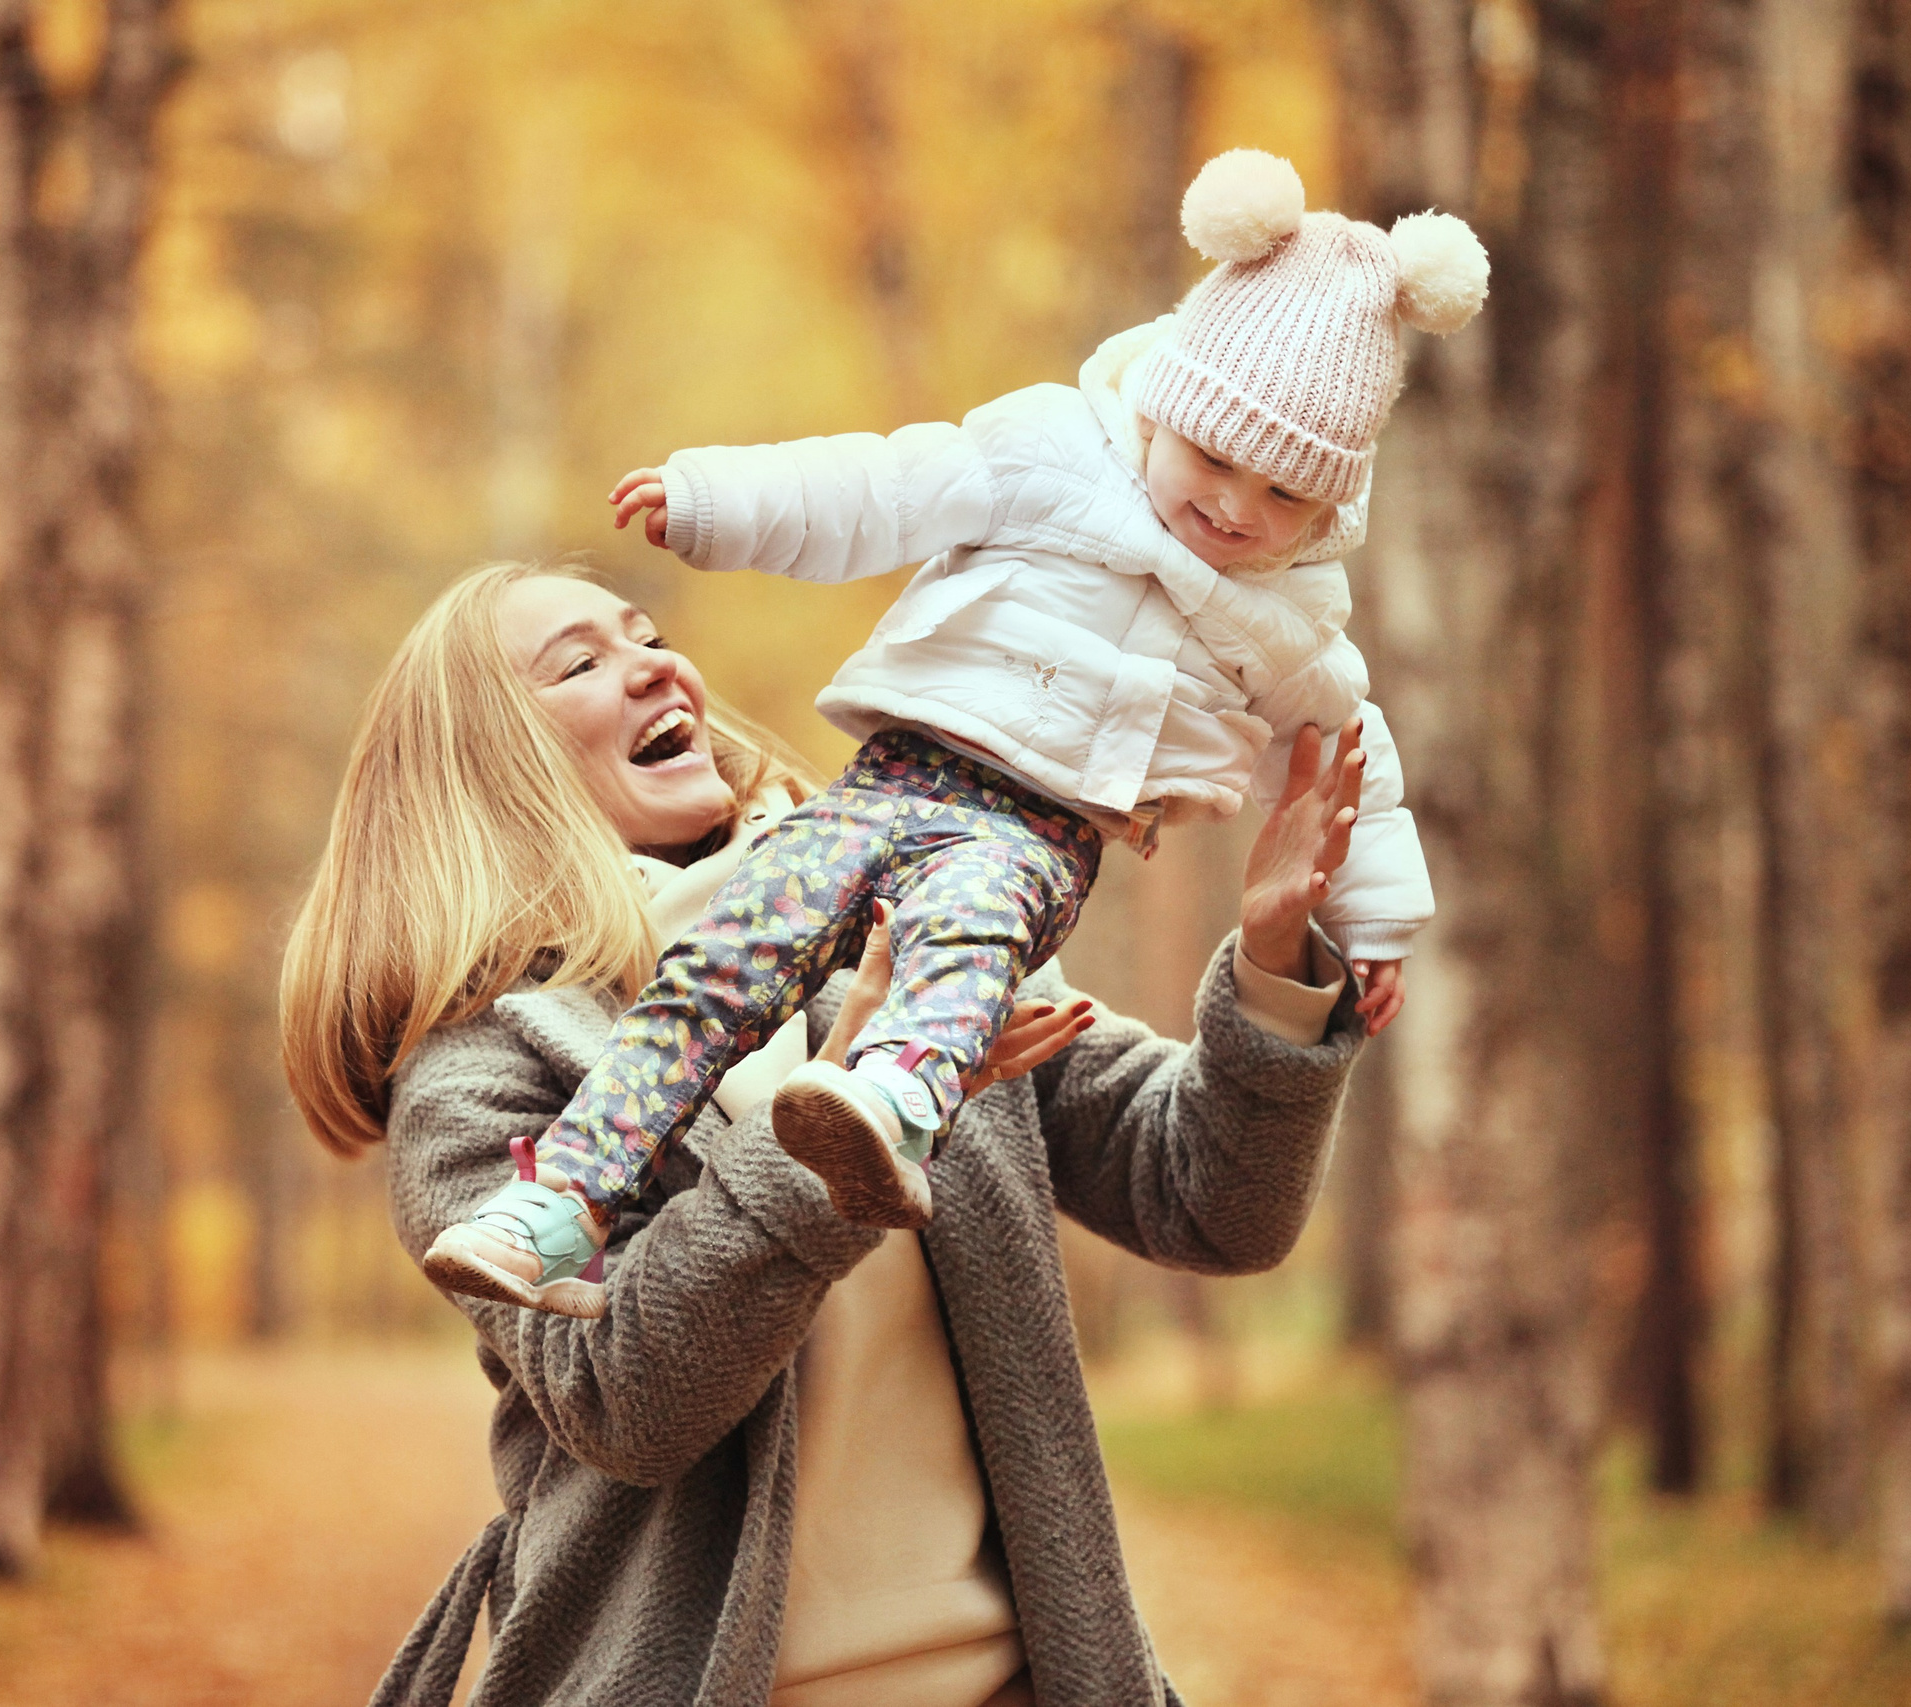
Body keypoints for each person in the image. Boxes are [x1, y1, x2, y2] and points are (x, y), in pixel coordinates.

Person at [280, 559, 1376, 1706]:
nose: (656, 666)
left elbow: (1207, 1200)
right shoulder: (480, 1069)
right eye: (582, 663)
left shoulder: (912, 913)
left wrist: (1274, 971)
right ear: (485, 768)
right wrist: (833, 1129)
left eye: (646, 635)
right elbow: (620, 1396)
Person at [422, 150, 1486, 1315]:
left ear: (1330, 508)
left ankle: (891, 1104)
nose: (1234, 508)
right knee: (720, 969)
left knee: (969, 942)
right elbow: (882, 489)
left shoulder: (1291, 623)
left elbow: (1349, 770)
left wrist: (1359, 927)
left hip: (1029, 835)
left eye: (1285, 496)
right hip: (883, 784)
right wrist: (719, 504)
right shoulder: (1048, 455)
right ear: (1162, 406)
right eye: (1215, 459)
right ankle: (556, 1204)